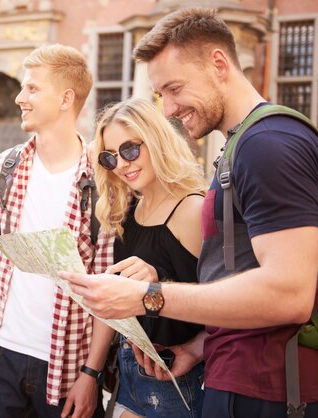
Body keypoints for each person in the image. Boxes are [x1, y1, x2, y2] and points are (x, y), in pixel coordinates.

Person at [59, 7, 318, 418]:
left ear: (219, 63)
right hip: (239, 377)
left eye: (174, 88)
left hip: (275, 392)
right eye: (161, 95)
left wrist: (149, 296)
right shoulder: (244, 145)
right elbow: (241, 284)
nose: (167, 109)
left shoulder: (267, 145)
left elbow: (290, 294)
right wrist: (200, 345)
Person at [0, 43, 112, 418]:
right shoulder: (5, 168)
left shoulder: (101, 183)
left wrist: (91, 375)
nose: (20, 97)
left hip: (68, 366)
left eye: (33, 88)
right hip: (2, 354)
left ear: (66, 98)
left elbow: (107, 293)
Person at [90, 98, 208, 417]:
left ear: (155, 139)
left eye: (130, 149)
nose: (122, 164)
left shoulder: (192, 210)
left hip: (178, 374)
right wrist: (89, 372)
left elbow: (230, 302)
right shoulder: (128, 211)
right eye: (110, 157)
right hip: (130, 368)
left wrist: (158, 282)